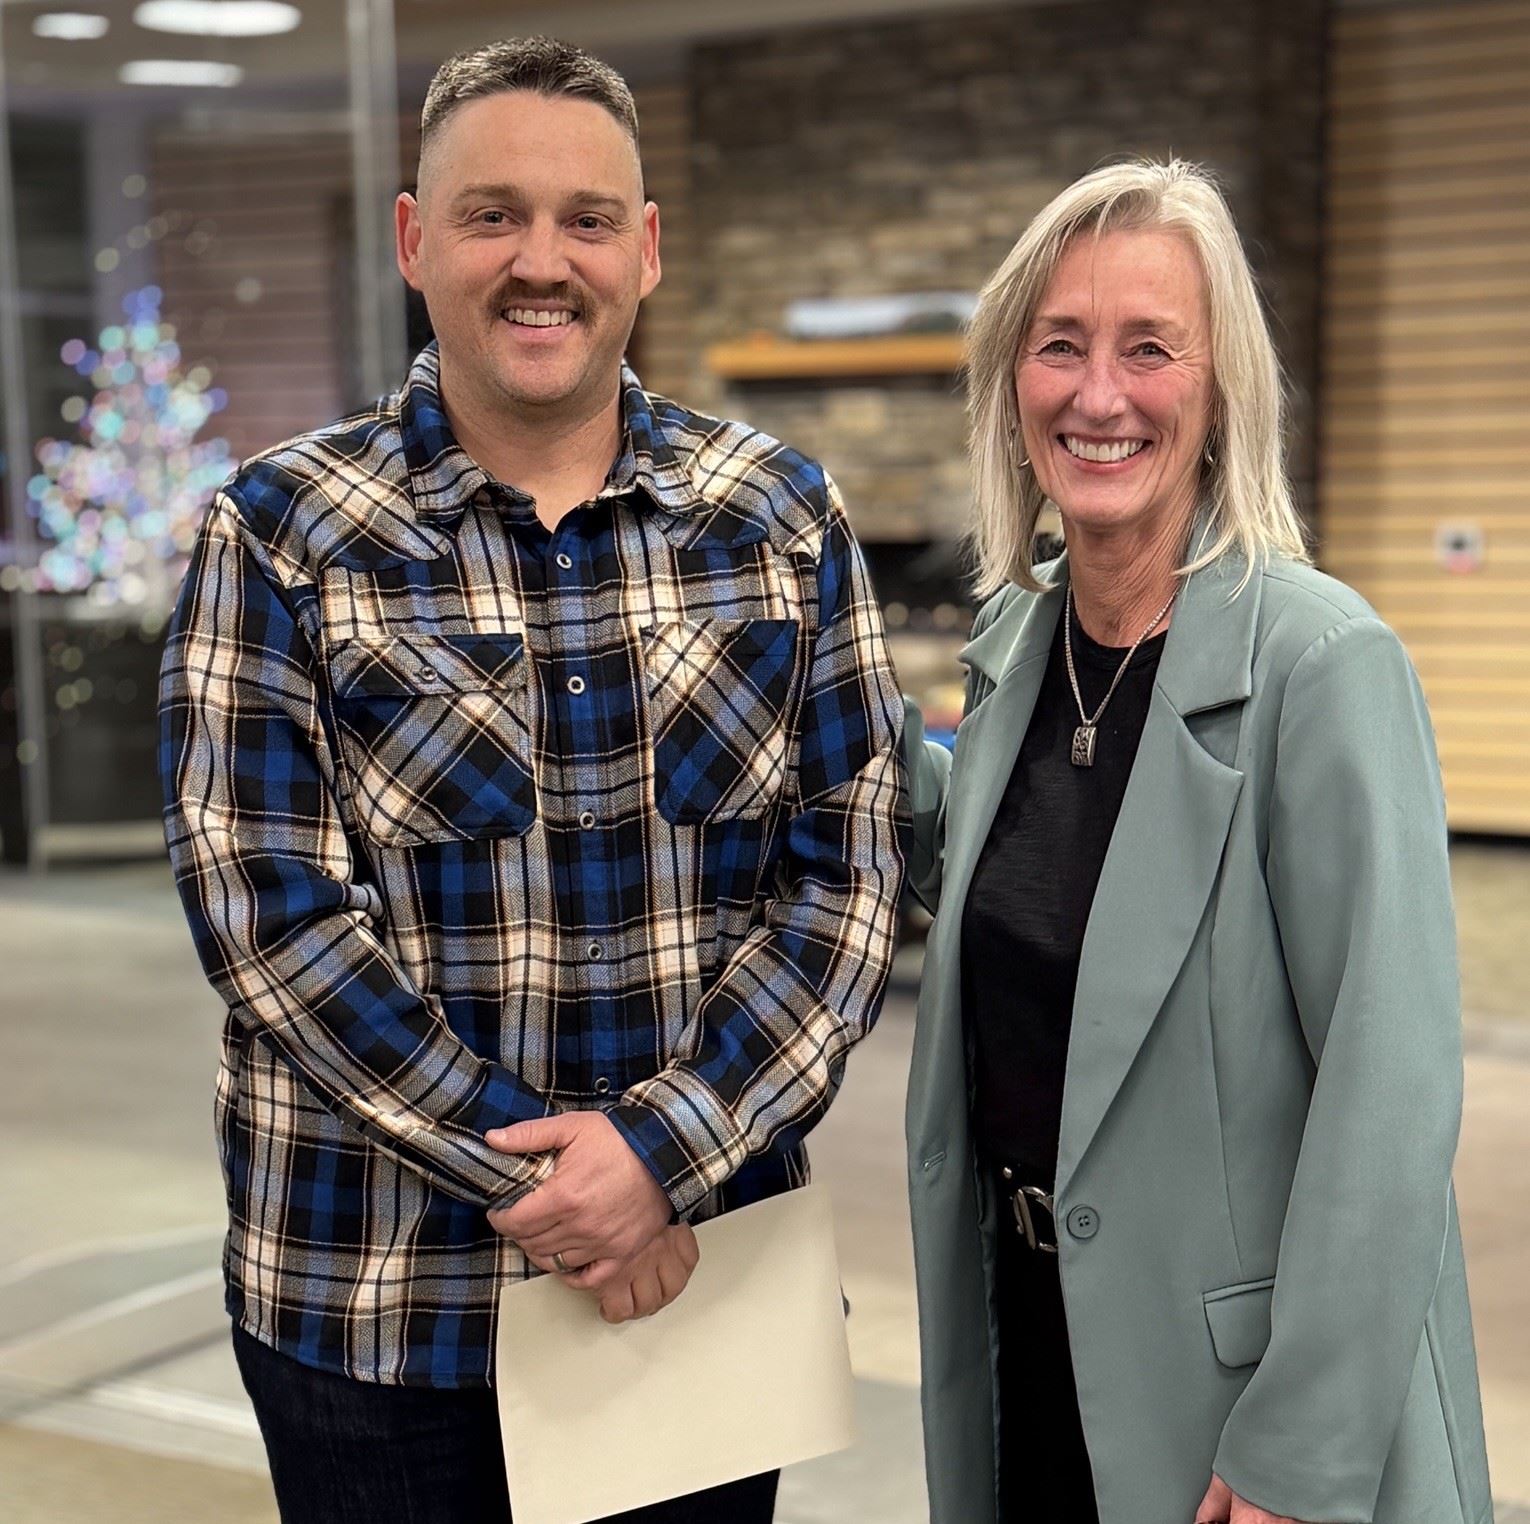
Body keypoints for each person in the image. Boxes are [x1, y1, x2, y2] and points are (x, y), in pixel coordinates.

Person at [159, 36, 906, 1524]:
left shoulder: (778, 514)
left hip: (694, 1285)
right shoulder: (280, 530)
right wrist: (558, 1192)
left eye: (582, 218)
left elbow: (851, 879)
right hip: (373, 1310)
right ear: (413, 240)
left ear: (644, 249)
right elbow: (270, 916)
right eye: (492, 214)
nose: (537, 262)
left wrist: (662, 1151)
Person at [902, 158, 1491, 1524]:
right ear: (1011, 385)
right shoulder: (1012, 651)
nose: (1097, 396)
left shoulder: (1320, 663)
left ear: (1219, 391)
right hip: (1031, 1342)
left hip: (1237, 1405)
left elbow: (1388, 1090)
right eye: (1059, 347)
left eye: (1147, 349)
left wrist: (1302, 1442)